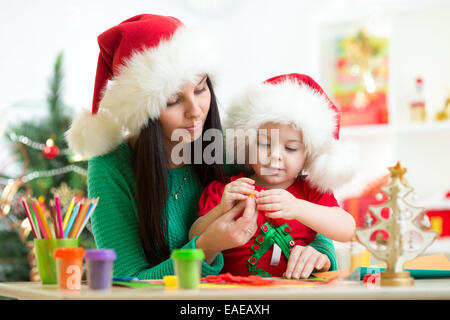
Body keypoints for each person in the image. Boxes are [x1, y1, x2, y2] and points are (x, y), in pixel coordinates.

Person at [66, 14, 338, 279]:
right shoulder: (111, 166)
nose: (196, 111)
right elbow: (128, 279)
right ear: (142, 112)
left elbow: (301, 189)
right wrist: (206, 247)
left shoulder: (225, 143)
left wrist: (319, 251)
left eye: (200, 88)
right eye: (173, 100)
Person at [189, 73, 359, 279]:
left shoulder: (310, 190)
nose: (275, 155)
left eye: (290, 148)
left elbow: (347, 228)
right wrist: (220, 209)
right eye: (265, 144)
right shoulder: (230, 189)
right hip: (236, 293)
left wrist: (297, 208)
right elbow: (194, 235)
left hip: (294, 292)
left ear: (308, 156)